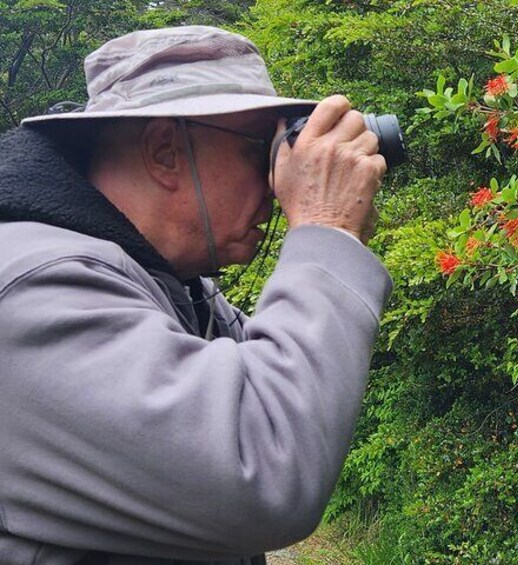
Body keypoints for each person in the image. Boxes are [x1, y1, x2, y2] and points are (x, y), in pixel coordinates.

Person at [0, 26, 391, 564]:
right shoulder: (32, 286)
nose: (280, 184)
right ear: (165, 152)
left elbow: (282, 388)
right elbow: (268, 469)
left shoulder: (172, 285)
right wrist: (326, 228)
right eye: (263, 152)